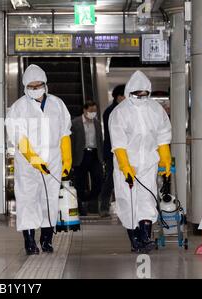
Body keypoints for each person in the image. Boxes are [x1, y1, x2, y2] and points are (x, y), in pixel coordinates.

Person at [6, 64, 72, 255]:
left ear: (45, 84)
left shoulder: (58, 104)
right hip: (28, 164)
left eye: (39, 85)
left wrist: (66, 160)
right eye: (32, 87)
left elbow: (65, 133)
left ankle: (47, 239)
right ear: (25, 87)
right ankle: (29, 240)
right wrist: (34, 159)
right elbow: (18, 137)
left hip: (53, 159)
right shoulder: (18, 108)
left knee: (50, 199)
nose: (36, 89)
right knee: (28, 199)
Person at [109, 71, 172, 253]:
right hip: (127, 165)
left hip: (148, 163)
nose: (142, 97)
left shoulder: (155, 109)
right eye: (138, 94)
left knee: (147, 200)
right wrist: (125, 166)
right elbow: (118, 143)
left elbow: (162, 136)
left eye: (145, 94)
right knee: (128, 202)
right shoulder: (120, 112)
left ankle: (145, 237)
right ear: (130, 92)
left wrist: (165, 160)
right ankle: (134, 239)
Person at [71, 101, 104, 216]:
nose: (93, 113)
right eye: (91, 111)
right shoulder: (75, 123)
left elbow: (100, 140)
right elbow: (72, 142)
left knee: (99, 180)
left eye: (94, 111)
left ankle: (88, 200)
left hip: (94, 155)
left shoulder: (97, 123)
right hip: (81, 155)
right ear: (84, 110)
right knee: (80, 183)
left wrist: (102, 157)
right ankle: (81, 206)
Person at [99, 85, 126, 217]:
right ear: (118, 97)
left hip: (124, 151)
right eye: (123, 96)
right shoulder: (110, 111)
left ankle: (124, 206)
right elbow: (111, 134)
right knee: (110, 179)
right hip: (112, 151)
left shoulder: (126, 110)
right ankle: (104, 206)